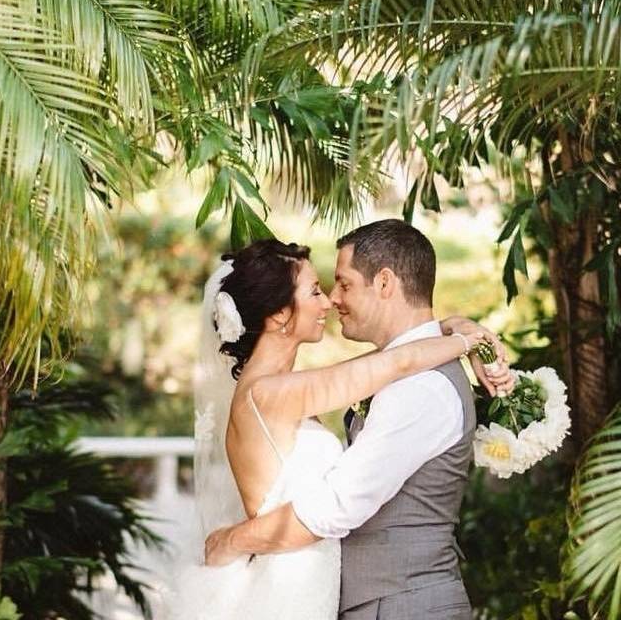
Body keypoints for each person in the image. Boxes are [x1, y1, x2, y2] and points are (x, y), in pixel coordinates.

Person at [174, 226, 512, 619]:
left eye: (338, 285)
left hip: (344, 589)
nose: (330, 301)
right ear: (281, 312)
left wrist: (455, 327)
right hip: (294, 582)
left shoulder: (284, 388)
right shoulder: (268, 394)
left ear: (385, 282)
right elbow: (393, 363)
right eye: (316, 290)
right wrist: (468, 340)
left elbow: (382, 365)